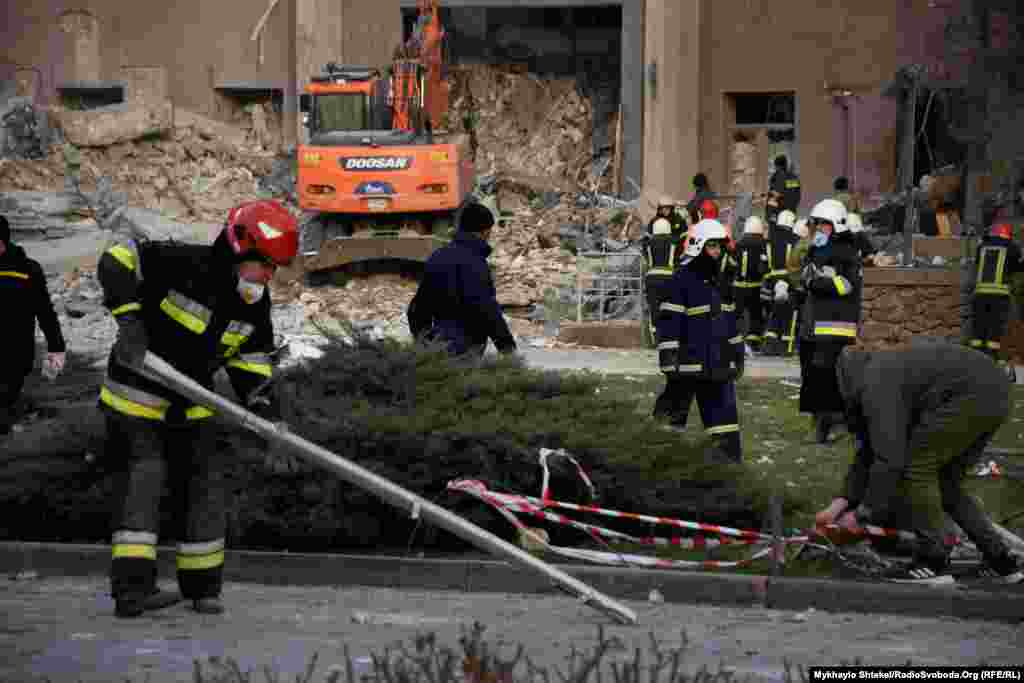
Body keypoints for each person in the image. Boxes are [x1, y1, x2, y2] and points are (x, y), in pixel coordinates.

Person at [97, 199, 298, 618]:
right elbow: (117, 258)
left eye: (274, 269)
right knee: (144, 478)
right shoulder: (181, 263)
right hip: (136, 398)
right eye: (264, 265)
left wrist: (268, 413)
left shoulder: (254, 305)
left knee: (206, 483)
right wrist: (130, 321)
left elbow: (251, 363)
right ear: (238, 249)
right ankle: (133, 591)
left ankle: (202, 587)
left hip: (192, 405)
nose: (267, 276)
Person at [816, 343, 1024, 585]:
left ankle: (932, 560)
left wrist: (862, 516)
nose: (840, 429)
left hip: (970, 393)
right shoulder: (866, 378)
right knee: (946, 483)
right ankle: (1001, 561)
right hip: (992, 391)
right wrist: (838, 505)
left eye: (834, 422)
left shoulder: (875, 385)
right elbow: (870, 451)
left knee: (918, 468)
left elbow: (889, 460)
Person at [653, 219, 744, 464]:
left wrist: (737, 353)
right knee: (668, 424)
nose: (716, 252)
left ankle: (728, 471)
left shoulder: (721, 283)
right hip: (686, 368)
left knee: (725, 425)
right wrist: (669, 360)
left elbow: (730, 324)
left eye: (719, 247)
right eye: (711, 246)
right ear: (698, 246)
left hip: (718, 368)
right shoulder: (681, 281)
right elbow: (669, 323)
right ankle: (659, 467)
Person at [409, 201, 517, 358]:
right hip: (467, 352)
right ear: (484, 231)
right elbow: (487, 309)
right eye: (490, 230)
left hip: (438, 349)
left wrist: (424, 343)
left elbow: (417, 309)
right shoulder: (475, 262)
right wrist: (507, 349)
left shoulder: (438, 257)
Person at [797, 199, 861, 444]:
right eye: (817, 224)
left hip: (834, 326)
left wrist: (815, 281)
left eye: (823, 225)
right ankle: (821, 423)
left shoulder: (846, 252)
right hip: (814, 325)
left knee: (830, 377)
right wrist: (811, 279)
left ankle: (836, 425)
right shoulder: (817, 250)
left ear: (836, 225)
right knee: (813, 376)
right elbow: (805, 275)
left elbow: (845, 284)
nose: (818, 229)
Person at [0, 215, 67, 435]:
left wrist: (57, 348)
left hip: (16, 354)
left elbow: (45, 312)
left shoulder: (27, 270)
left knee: (7, 399)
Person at [967, 223, 1022, 372]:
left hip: (980, 294)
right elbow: (1016, 267)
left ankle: (975, 358)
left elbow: (979, 264)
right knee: (994, 327)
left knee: (979, 327)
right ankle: (991, 359)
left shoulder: (982, 247)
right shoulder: (1011, 248)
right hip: (999, 295)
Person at [762, 209, 801, 356]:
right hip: (790, 281)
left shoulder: (769, 241)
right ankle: (787, 346)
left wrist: (768, 282)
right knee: (789, 314)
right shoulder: (795, 239)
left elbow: (763, 264)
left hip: (773, 281)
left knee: (775, 313)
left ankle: (769, 345)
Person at [733, 216, 769, 353]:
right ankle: (753, 343)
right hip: (756, 286)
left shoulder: (739, 243)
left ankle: (732, 341)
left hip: (738, 286)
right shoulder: (763, 244)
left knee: (736, 314)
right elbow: (765, 266)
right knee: (756, 315)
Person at [643, 218, 678, 342]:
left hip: (652, 278)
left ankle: (655, 338)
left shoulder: (647, 242)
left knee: (654, 308)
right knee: (670, 307)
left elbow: (646, 258)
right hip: (669, 277)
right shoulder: (674, 241)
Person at [766, 156, 801, 224]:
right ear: (786, 164)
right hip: (788, 215)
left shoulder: (776, 178)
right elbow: (794, 196)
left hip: (779, 215)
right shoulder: (791, 178)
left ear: (777, 166)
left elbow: (773, 199)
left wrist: (779, 195)